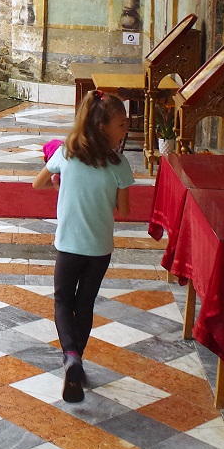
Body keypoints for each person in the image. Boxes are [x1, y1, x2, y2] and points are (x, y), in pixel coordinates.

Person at [33, 90, 133, 403]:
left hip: (68, 244)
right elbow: (125, 210)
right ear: (103, 127)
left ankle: (71, 357)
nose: (125, 129)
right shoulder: (119, 164)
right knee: (85, 303)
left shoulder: (66, 153)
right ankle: (77, 362)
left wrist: (58, 182)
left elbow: (37, 183)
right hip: (99, 247)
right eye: (121, 124)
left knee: (63, 300)